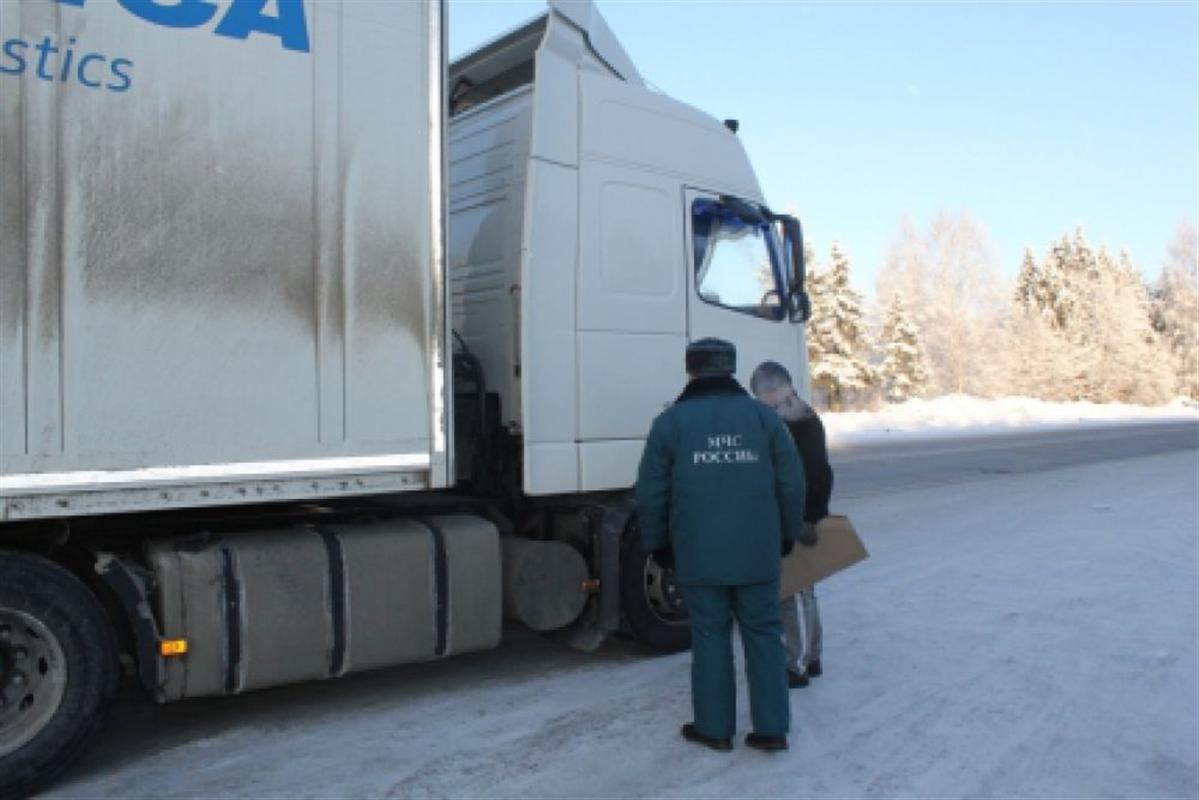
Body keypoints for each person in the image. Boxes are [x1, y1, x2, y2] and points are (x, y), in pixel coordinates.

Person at [635, 338, 807, 753]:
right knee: (765, 634)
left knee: (710, 636)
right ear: (731, 370)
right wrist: (786, 533)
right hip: (757, 551)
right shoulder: (764, 420)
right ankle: (771, 729)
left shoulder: (670, 423)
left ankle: (714, 729)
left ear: (691, 372)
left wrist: (658, 544)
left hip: (699, 553)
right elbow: (791, 482)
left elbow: (652, 493)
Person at [750, 361, 834, 689]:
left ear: (783, 389)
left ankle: (795, 664)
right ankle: (810, 656)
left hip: (795, 519)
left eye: (769, 391)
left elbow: (817, 474)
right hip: (792, 516)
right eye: (761, 392)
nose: (765, 398)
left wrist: (809, 518)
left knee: (792, 592)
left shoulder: (797, 421)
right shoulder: (794, 416)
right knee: (803, 590)